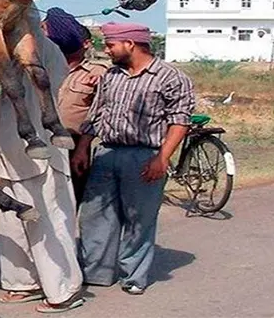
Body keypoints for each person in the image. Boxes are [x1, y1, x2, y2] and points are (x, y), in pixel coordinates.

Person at [71, 22, 195, 295]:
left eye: (111, 44)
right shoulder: (111, 75)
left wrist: (162, 158)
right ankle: (96, 272)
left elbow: (179, 122)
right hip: (107, 154)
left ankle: (133, 276)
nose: (107, 49)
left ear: (130, 44)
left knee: (139, 219)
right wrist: (83, 148)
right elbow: (97, 114)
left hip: (144, 156)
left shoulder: (170, 77)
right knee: (95, 217)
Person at [0, 5, 84, 313]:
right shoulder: (23, 46)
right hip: (13, 151)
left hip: (40, 154)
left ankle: (63, 290)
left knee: (48, 222)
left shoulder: (40, 48)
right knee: (12, 222)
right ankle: (22, 283)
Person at [41, 7, 109, 204]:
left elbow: (98, 114)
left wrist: (82, 149)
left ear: (86, 44)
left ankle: (68, 235)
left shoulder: (97, 72)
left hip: (74, 144)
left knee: (69, 200)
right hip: (42, 140)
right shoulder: (45, 68)